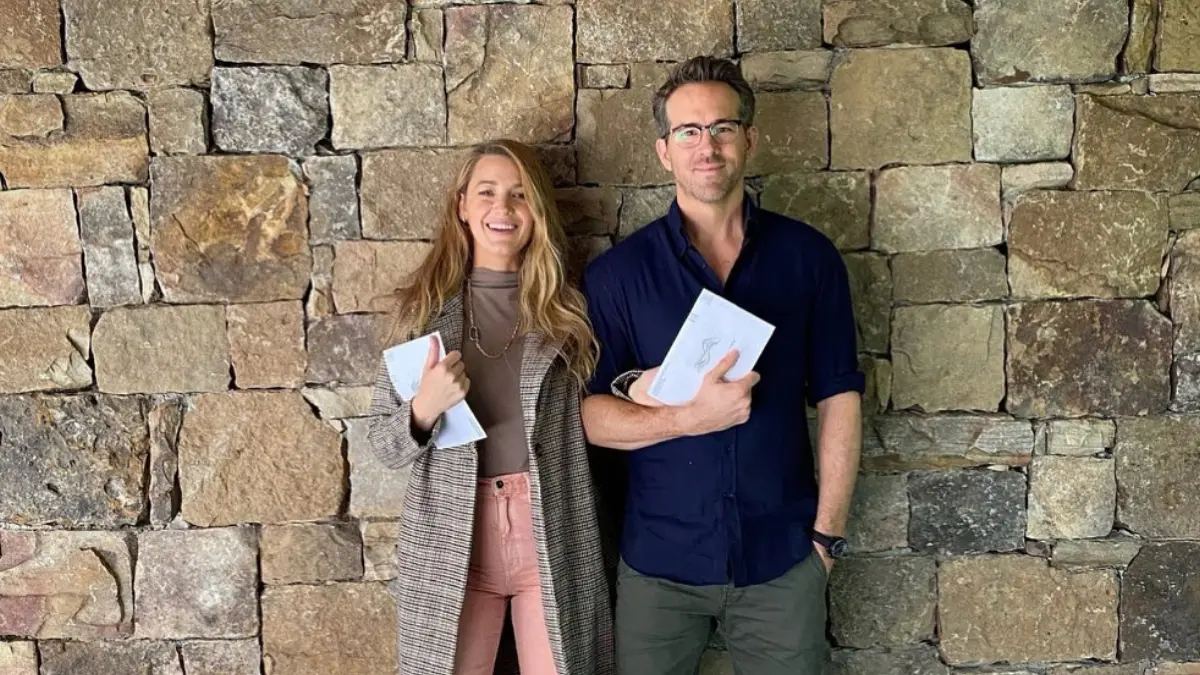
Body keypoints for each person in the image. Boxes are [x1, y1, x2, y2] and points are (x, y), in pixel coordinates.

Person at [578, 56, 865, 675]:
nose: (706, 146)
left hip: (783, 559)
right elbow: (590, 417)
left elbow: (840, 395)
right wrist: (688, 419)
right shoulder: (617, 276)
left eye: (722, 128)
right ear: (664, 151)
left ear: (749, 139)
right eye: (688, 131)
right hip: (659, 569)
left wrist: (826, 538)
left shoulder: (809, 258)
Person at [366, 139, 615, 675]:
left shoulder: (569, 313)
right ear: (462, 205)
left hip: (554, 528)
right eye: (487, 192)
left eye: (519, 194)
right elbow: (383, 447)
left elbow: (600, 415)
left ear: (537, 211)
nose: (503, 207)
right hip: (452, 534)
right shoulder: (422, 313)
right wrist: (423, 409)